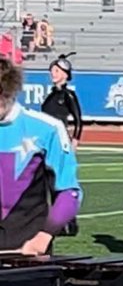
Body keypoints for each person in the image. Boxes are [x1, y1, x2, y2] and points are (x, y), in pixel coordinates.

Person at [0, 57, 82, 254]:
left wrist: (44, 236)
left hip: (27, 252)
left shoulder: (47, 129)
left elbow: (69, 191)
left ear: (7, 92)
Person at [40, 52, 83, 237]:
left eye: (57, 70)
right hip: (47, 141)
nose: (53, 73)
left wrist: (75, 140)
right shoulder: (51, 96)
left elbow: (78, 119)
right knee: (49, 180)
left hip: (61, 141)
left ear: (65, 74)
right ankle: (60, 220)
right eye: (52, 70)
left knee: (61, 181)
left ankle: (69, 221)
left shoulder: (68, 95)